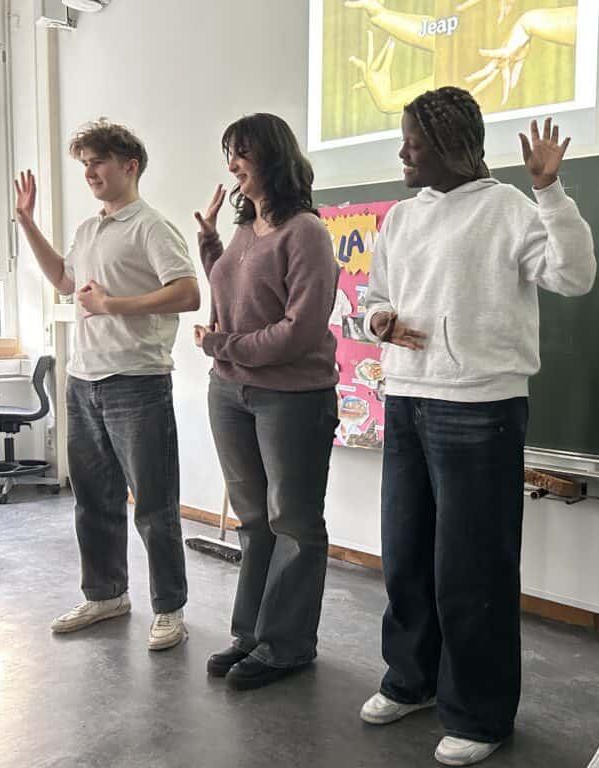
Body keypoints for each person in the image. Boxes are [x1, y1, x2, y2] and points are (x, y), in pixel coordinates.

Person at [358, 86, 596, 766]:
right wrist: (378, 322)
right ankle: (411, 680)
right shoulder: (402, 218)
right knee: (406, 553)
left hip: (480, 408)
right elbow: (375, 299)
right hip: (406, 398)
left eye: (414, 143)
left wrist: (550, 192)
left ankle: (480, 714)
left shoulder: (508, 208)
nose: (403, 153)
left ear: (451, 146)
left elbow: (575, 275)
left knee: (473, 568)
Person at [14, 119, 200, 649]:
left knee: (154, 505)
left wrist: (112, 305)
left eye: (98, 162)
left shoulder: (151, 227)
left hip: (137, 383)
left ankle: (169, 608)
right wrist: (26, 222)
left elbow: (188, 293)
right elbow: (64, 280)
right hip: (84, 380)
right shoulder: (89, 230)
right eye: (85, 164)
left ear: (129, 166)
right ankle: (106, 595)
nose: (90, 172)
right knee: (93, 500)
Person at [193, 113, 340, 690]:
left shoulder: (305, 232)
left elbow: (299, 330)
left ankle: (287, 646)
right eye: (229, 153)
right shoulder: (245, 228)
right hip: (230, 390)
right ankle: (250, 635)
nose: (232, 165)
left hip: (291, 397)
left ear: (272, 159)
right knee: (254, 521)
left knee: (293, 523)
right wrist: (210, 243)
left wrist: (222, 345)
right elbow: (237, 292)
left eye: (242, 153)